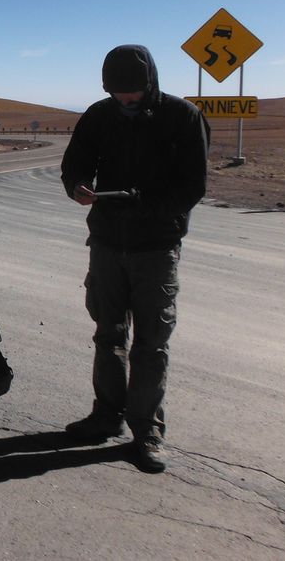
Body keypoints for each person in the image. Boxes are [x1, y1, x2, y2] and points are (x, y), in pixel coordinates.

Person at [60, 45, 209, 473]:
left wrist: (144, 204)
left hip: (156, 249)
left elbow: (192, 187)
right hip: (107, 243)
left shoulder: (182, 117)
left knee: (151, 345)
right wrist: (78, 188)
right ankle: (106, 417)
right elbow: (75, 165)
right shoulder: (99, 115)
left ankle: (147, 431)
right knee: (108, 335)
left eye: (134, 92)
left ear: (150, 84)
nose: (126, 100)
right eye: (117, 92)